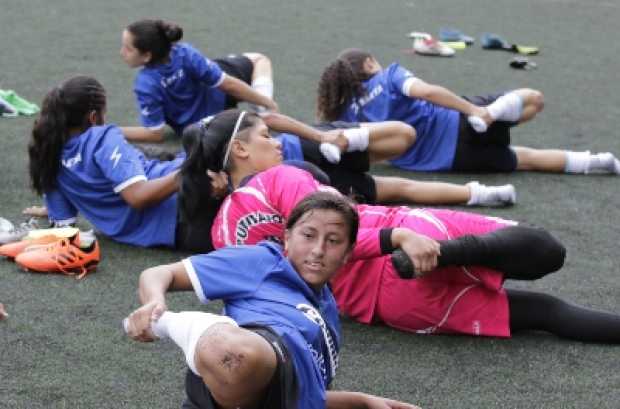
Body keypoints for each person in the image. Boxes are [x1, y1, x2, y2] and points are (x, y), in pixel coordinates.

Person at [191, 109, 620, 343]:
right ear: (241, 148)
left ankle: (442, 256)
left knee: (544, 312)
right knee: (545, 248)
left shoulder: (221, 234)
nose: (277, 142)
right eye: (265, 135)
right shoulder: (278, 179)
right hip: (404, 237)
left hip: (383, 307)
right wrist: (397, 239)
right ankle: (449, 254)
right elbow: (330, 232)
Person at [124, 192, 421, 409]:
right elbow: (159, 272)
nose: (318, 250)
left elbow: (302, 396)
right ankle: (171, 324)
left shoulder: (328, 312)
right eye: (308, 235)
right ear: (287, 238)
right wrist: (153, 303)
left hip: (269, 396)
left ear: (347, 253)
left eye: (332, 241)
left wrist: (364, 402)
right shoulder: (263, 260)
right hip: (248, 351)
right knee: (232, 355)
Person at [316, 48, 620, 175]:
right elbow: (427, 92)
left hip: (450, 161)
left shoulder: (347, 115)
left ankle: (596, 163)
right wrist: (473, 109)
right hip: (458, 122)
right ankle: (494, 112)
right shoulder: (389, 76)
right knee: (532, 100)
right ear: (369, 63)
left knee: (525, 159)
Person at [27, 75, 218, 252]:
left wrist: (49, 210)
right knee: (222, 131)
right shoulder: (101, 137)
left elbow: (63, 226)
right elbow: (138, 196)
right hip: (186, 205)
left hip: (180, 234)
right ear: (93, 117)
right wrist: (191, 170)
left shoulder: (48, 156)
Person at [261, 112, 515, 206]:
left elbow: (268, 119)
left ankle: (344, 141)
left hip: (307, 147)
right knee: (399, 189)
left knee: (403, 135)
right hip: (303, 183)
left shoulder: (223, 129)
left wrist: (321, 136)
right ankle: (482, 194)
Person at [119, 19, 278, 143]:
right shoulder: (184, 53)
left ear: (147, 55)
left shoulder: (145, 84)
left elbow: (154, 133)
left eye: (127, 48)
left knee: (225, 67)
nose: (122, 52)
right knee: (259, 60)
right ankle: (263, 112)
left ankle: (262, 114)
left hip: (206, 127)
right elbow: (228, 84)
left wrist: (114, 130)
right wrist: (265, 101)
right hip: (221, 96)